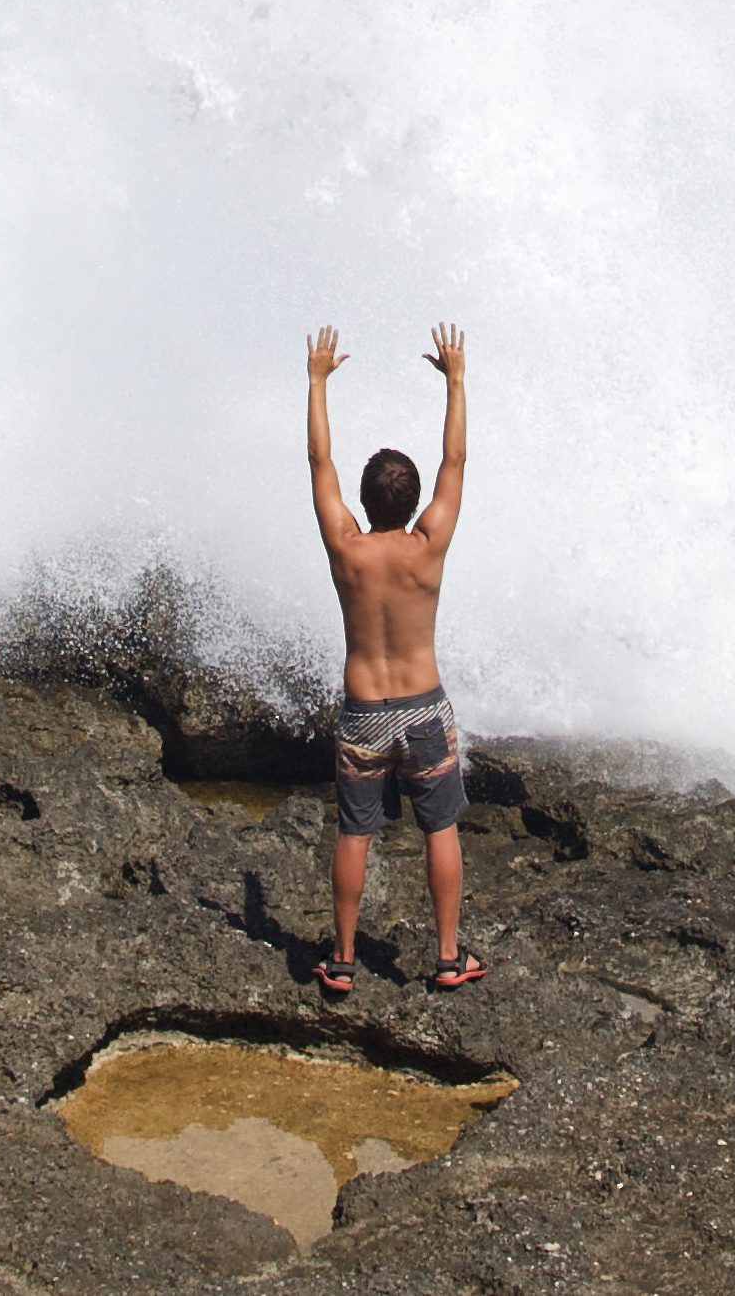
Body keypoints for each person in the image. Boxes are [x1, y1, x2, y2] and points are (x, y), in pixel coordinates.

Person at [304, 320, 479, 996]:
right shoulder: (427, 545)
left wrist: (316, 381)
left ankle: (343, 960)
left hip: (363, 713)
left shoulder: (347, 547)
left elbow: (320, 466)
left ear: (367, 499)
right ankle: (446, 956)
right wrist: (456, 380)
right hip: (424, 708)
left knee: (356, 832)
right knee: (440, 825)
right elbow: (455, 464)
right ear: (410, 504)